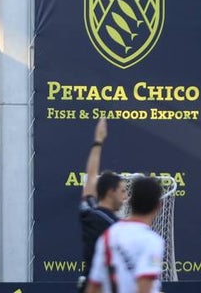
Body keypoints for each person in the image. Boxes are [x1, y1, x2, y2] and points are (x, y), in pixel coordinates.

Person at [86, 177, 164, 293]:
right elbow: (144, 288)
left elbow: (94, 286)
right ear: (158, 206)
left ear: (131, 201)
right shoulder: (152, 241)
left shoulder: (108, 234)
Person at [80, 119, 124, 291]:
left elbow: (91, 177)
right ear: (111, 192)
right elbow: (91, 178)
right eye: (122, 191)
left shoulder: (90, 212)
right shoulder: (113, 225)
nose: (125, 196)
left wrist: (98, 141)